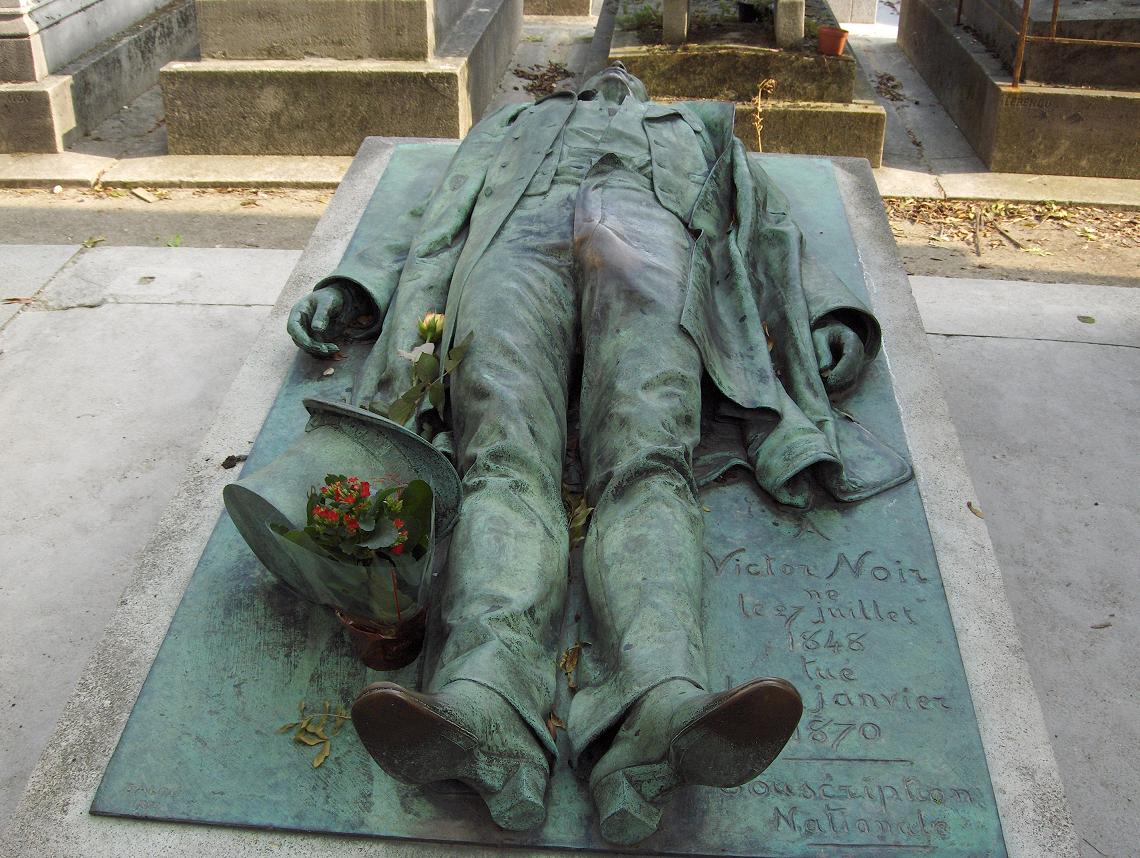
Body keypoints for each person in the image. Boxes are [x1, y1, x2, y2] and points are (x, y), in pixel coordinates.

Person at [286, 63, 910, 845]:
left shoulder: (696, 126)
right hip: (513, 245)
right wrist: (355, 285)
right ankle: (486, 700)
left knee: (650, 459)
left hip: (650, 245)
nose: (612, 73)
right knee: (501, 455)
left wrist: (824, 309)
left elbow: (767, 222)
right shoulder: (512, 123)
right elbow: (428, 210)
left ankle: (657, 703)